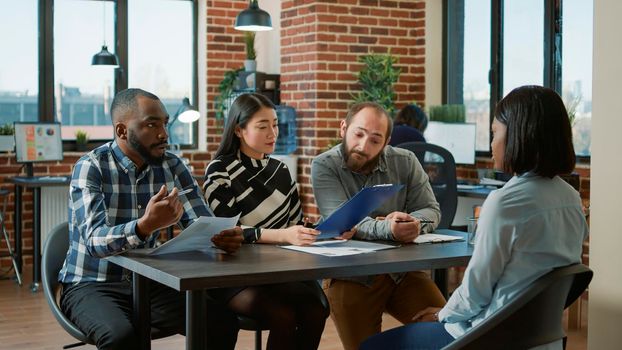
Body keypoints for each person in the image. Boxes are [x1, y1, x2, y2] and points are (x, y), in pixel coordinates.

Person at [360, 85, 589, 350]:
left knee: (372, 347)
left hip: (488, 338)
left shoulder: (504, 203)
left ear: (519, 136)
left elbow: (476, 293)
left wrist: (442, 314)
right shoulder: (571, 199)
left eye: (494, 133)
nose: (492, 144)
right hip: (542, 339)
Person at [58, 88, 243, 350]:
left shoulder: (173, 166)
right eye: (151, 125)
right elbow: (94, 242)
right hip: (90, 283)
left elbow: (201, 223)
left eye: (165, 124)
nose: (164, 134)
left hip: (146, 282)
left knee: (219, 321)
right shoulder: (91, 166)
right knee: (122, 337)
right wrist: (144, 226)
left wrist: (220, 236)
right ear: (122, 131)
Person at [310, 101, 446, 350]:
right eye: (358, 134)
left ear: (387, 141)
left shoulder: (405, 161)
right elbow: (343, 219)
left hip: (402, 271)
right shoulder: (324, 165)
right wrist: (389, 228)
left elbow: (431, 209)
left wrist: (415, 223)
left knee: (449, 335)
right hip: (351, 275)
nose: (363, 146)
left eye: (375, 140)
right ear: (344, 128)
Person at [203, 93, 329, 350]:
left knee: (316, 310)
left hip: (278, 270)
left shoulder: (281, 170)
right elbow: (227, 231)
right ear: (239, 129)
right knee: (283, 317)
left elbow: (295, 224)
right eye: (262, 126)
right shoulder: (220, 170)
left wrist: (327, 229)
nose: (272, 133)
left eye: (275, 124)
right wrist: (283, 235)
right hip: (235, 274)